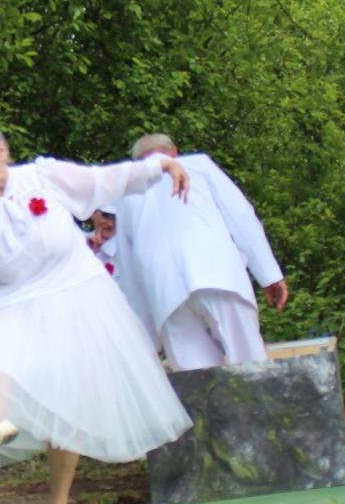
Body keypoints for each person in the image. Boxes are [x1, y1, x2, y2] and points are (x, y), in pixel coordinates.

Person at [0, 118, 193, 504]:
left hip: (74, 293)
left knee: (66, 402)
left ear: (2, 149)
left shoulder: (44, 176)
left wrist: (159, 166)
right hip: (10, 303)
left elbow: (103, 180)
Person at [110, 134, 287, 371]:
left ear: (138, 163)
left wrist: (147, 336)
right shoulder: (198, 165)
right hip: (217, 276)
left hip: (165, 296)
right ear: (173, 152)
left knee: (199, 385)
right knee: (251, 366)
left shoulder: (126, 193)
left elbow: (128, 269)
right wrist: (268, 275)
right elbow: (241, 217)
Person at [87, 207, 119, 280]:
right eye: (105, 215)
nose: (110, 224)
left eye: (115, 218)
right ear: (93, 214)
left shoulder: (125, 253)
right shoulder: (78, 242)